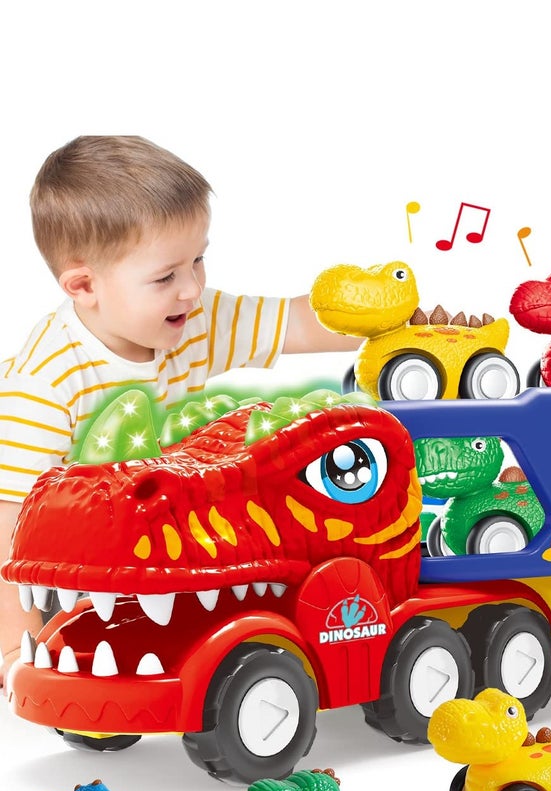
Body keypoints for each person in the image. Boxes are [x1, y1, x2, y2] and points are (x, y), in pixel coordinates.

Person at [0, 135, 359, 685]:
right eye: (166, 276)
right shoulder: (45, 384)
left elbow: (298, 323)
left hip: (142, 532)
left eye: (199, 259)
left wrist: (401, 328)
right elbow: (9, 529)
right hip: (49, 556)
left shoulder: (191, 319)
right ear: (84, 285)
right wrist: (16, 650)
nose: (192, 288)